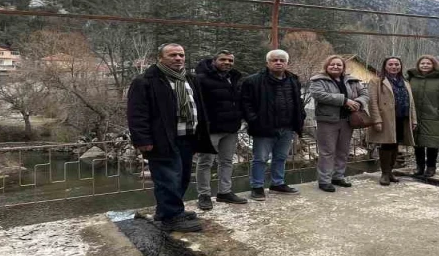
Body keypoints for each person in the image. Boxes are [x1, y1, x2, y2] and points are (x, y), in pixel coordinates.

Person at [127, 43, 214, 232]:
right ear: (160, 58)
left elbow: (199, 107)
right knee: (167, 179)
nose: (178, 58)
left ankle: (168, 210)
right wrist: (143, 140)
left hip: (188, 137)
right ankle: (171, 217)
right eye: (172, 55)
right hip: (162, 139)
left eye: (181, 55)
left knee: (182, 177)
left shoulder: (189, 79)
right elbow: (137, 114)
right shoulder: (145, 81)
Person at [240, 49, 306, 199]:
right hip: (263, 127)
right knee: (260, 158)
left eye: (282, 60)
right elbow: (245, 103)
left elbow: (298, 101)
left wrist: (300, 116)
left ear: (286, 63)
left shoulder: (293, 80)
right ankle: (257, 186)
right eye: (274, 60)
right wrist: (254, 120)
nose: (278, 62)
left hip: (287, 127)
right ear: (267, 63)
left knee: (281, 157)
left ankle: (277, 183)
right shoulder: (253, 80)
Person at [193, 51, 248, 211]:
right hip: (211, 129)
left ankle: (225, 192)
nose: (227, 62)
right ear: (214, 61)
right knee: (205, 162)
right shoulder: (201, 79)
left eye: (230, 60)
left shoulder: (234, 78)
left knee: (227, 161)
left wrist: (241, 118)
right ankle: (203, 195)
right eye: (223, 59)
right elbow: (197, 104)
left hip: (231, 128)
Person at [308, 55, 369, 193]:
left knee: (343, 151)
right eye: (332, 64)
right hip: (327, 121)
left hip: (348, 120)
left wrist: (358, 102)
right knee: (327, 151)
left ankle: (338, 176)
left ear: (343, 67)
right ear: (326, 66)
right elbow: (319, 95)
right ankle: (324, 180)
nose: (335, 67)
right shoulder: (318, 80)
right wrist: (345, 100)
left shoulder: (352, 80)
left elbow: (365, 94)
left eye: (339, 65)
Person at [366, 56, 416, 185]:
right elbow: (372, 103)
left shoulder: (405, 82)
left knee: (396, 144)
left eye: (397, 64)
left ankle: (390, 172)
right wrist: (376, 120)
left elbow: (411, 103)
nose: (394, 67)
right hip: (386, 119)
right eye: (391, 64)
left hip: (402, 118)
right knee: (386, 144)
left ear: (400, 67)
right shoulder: (376, 81)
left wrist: (413, 120)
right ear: (385, 66)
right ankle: (384, 173)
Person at [407, 55, 439, 178]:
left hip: (434, 117)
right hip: (415, 116)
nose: (425, 65)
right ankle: (419, 167)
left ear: (434, 65)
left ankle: (431, 167)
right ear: (418, 65)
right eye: (422, 63)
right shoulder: (411, 78)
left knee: (432, 144)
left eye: (428, 63)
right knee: (417, 143)